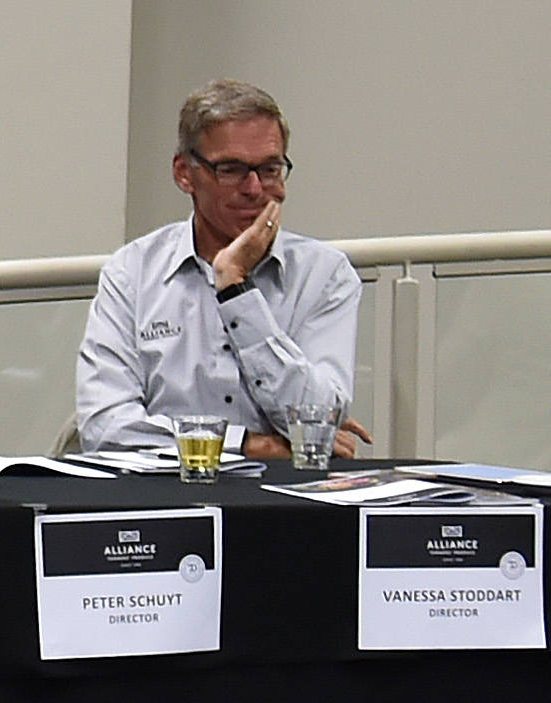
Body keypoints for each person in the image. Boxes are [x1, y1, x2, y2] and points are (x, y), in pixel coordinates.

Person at [74, 80, 365, 458]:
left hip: (285, 505)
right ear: (184, 174)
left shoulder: (326, 275)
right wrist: (249, 445)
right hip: (167, 500)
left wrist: (235, 290)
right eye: (232, 170)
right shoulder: (132, 273)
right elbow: (105, 427)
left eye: (271, 168)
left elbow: (321, 418)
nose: (255, 188)